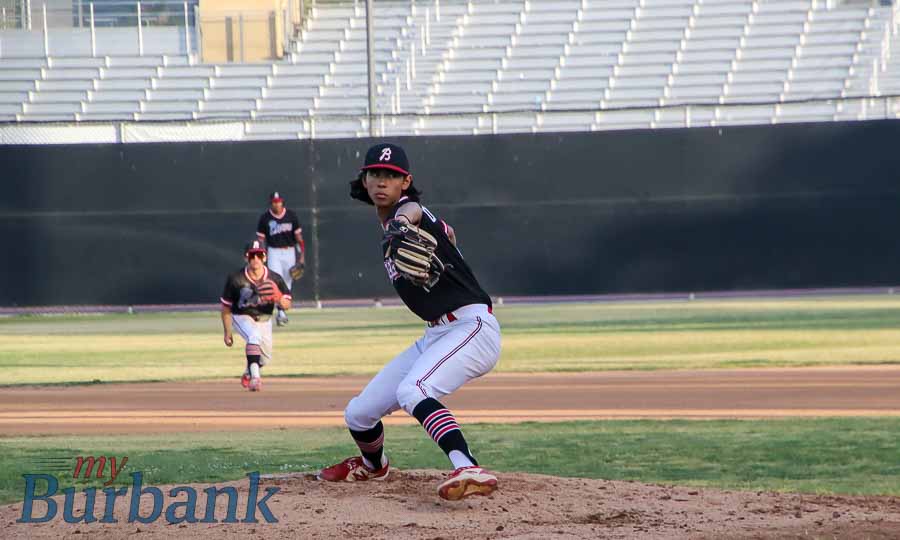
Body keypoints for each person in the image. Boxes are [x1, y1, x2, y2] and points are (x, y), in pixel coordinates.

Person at [317, 143, 502, 501]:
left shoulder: (406, 212)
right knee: (358, 414)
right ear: (365, 180)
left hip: (472, 327)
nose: (382, 181)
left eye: (391, 176)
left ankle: (467, 465)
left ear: (406, 182)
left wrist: (403, 221)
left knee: (413, 390)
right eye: (375, 174)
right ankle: (374, 467)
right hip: (437, 333)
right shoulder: (394, 228)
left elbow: (414, 210)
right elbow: (446, 231)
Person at [220, 240, 291, 392]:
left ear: (265, 257)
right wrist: (227, 332)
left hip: (264, 318)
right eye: (252, 256)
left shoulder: (275, 278)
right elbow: (226, 307)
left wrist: (278, 297)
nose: (256, 259)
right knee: (254, 336)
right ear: (246, 257)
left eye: (259, 255)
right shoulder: (236, 279)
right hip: (241, 316)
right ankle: (255, 378)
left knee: (265, 358)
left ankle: (248, 371)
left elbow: (287, 304)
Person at [256, 191, 305, 326]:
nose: (277, 204)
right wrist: (262, 256)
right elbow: (260, 240)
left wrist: (301, 257)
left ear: (282, 202)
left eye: (279, 201)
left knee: (287, 282)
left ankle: (281, 311)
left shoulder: (291, 216)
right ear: (271, 203)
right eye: (274, 202)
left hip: (289, 251)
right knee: (274, 281)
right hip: (273, 252)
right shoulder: (265, 218)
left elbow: (299, 239)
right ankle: (275, 311)